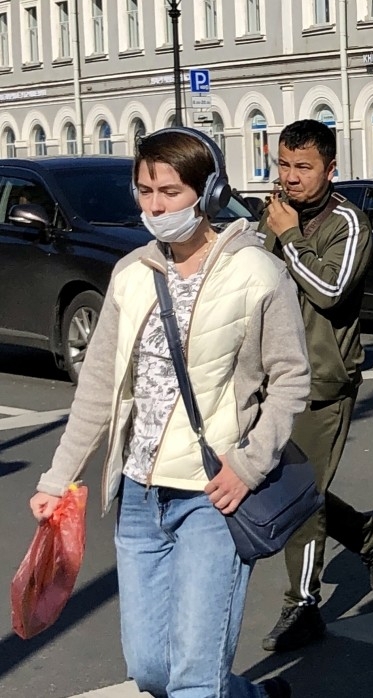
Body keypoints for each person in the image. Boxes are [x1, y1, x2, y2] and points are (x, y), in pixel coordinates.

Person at [29, 128, 309, 698]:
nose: (154, 206)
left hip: (213, 496)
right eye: (144, 191)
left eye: (170, 192)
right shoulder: (132, 275)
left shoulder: (257, 273)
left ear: (208, 193)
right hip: (140, 497)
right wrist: (58, 478)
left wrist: (249, 465)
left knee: (192, 682)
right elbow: (99, 384)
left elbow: (290, 379)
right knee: (153, 670)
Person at [259, 119, 373, 652]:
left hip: (324, 380)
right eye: (284, 166)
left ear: (330, 169)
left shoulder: (349, 221)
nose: (291, 178)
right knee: (284, 486)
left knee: (303, 496)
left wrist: (289, 235)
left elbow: (330, 290)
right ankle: (371, 536)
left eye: (303, 167)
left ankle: (302, 604)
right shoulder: (272, 216)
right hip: (271, 377)